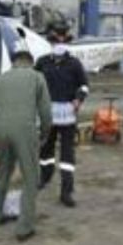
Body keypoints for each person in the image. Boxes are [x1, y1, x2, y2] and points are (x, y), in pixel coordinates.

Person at [0, 43, 52, 241]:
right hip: (25, 130)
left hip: (0, 131)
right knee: (30, 177)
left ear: (14, 63)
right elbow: (45, 111)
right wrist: (44, 133)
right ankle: (24, 227)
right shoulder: (36, 77)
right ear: (30, 63)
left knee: (1, 173)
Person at [35, 21, 89, 207]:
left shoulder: (74, 64)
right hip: (47, 112)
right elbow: (35, 83)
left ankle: (66, 191)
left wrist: (79, 99)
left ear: (67, 43)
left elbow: (84, 85)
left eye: (62, 41)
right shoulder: (42, 62)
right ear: (50, 43)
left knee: (67, 153)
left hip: (67, 113)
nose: (58, 45)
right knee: (46, 149)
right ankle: (44, 177)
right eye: (55, 41)